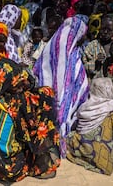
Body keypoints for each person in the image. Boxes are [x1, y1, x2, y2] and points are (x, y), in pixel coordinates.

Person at [0, 58, 60, 182]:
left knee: (43, 97)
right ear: (7, 84)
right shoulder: (8, 106)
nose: (22, 88)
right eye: (18, 85)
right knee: (42, 102)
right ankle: (39, 155)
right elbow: (6, 148)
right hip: (4, 164)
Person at [33, 16, 89, 157]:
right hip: (63, 103)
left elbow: (37, 70)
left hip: (46, 99)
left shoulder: (52, 45)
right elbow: (75, 79)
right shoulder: (70, 51)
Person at [66, 78, 113, 175]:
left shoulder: (86, 106)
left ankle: (82, 156)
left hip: (80, 146)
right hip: (100, 153)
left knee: (67, 138)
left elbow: (78, 127)